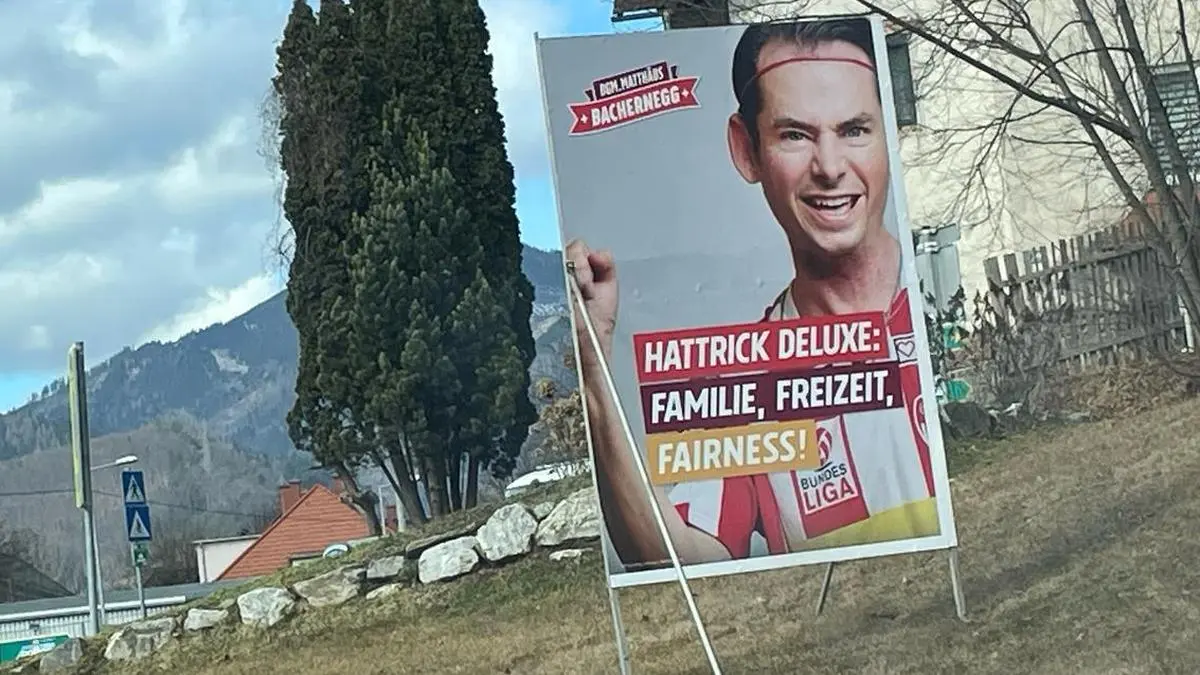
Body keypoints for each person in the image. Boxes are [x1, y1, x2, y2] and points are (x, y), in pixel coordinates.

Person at [568, 18, 939, 569]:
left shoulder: (941, 301)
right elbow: (673, 556)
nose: (830, 168)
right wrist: (594, 361)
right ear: (747, 150)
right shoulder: (748, 381)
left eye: (855, 130)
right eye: (795, 135)